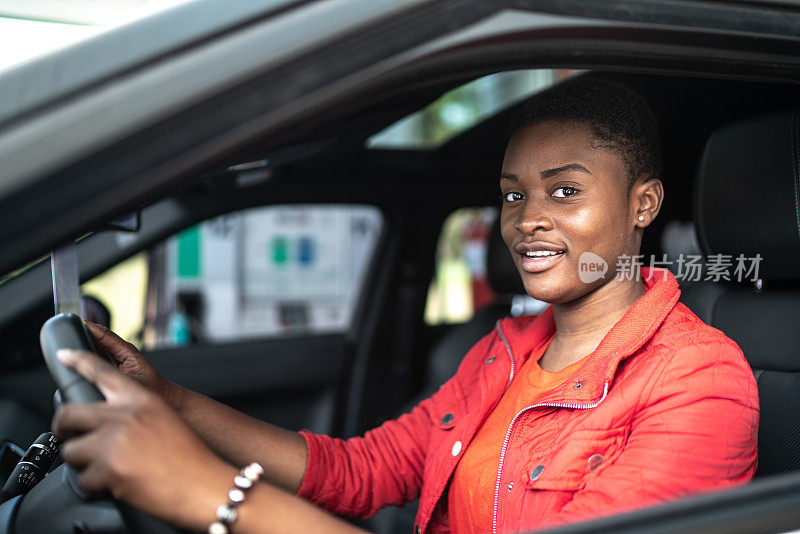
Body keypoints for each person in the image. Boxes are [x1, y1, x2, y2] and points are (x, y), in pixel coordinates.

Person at [52, 78, 759, 534]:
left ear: (644, 204)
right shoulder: (502, 351)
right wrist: (172, 401)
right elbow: (358, 471)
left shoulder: (699, 381)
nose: (527, 220)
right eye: (514, 194)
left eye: (564, 192)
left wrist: (211, 492)